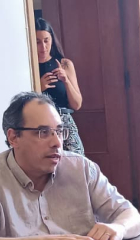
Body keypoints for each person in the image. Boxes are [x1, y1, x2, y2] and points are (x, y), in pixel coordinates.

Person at [0, 92, 140, 240]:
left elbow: (132, 217)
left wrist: (119, 229)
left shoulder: (81, 168)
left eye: (59, 131)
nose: (57, 143)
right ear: (14, 137)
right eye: (43, 132)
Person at [35, 18, 84, 155]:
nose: (43, 47)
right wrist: (39, 88)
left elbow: (77, 104)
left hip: (65, 122)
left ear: (52, 40)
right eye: (37, 42)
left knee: (76, 165)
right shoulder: (28, 66)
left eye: (46, 40)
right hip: (40, 125)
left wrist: (66, 80)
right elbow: (23, 104)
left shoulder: (64, 64)